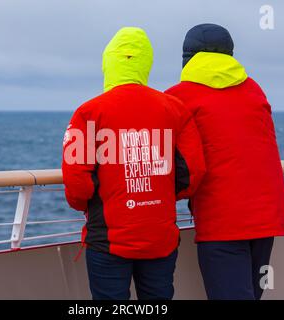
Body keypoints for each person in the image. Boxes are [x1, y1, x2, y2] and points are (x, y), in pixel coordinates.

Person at [62, 27, 206, 300]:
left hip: (108, 239)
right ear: (145, 64)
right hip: (159, 235)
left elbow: (76, 183)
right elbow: (193, 172)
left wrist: (92, 203)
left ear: (108, 63)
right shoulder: (174, 109)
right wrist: (161, 194)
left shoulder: (88, 112)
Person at [165, 23, 284, 300]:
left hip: (223, 217)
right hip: (267, 213)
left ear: (187, 57)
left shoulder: (178, 96)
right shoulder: (253, 88)